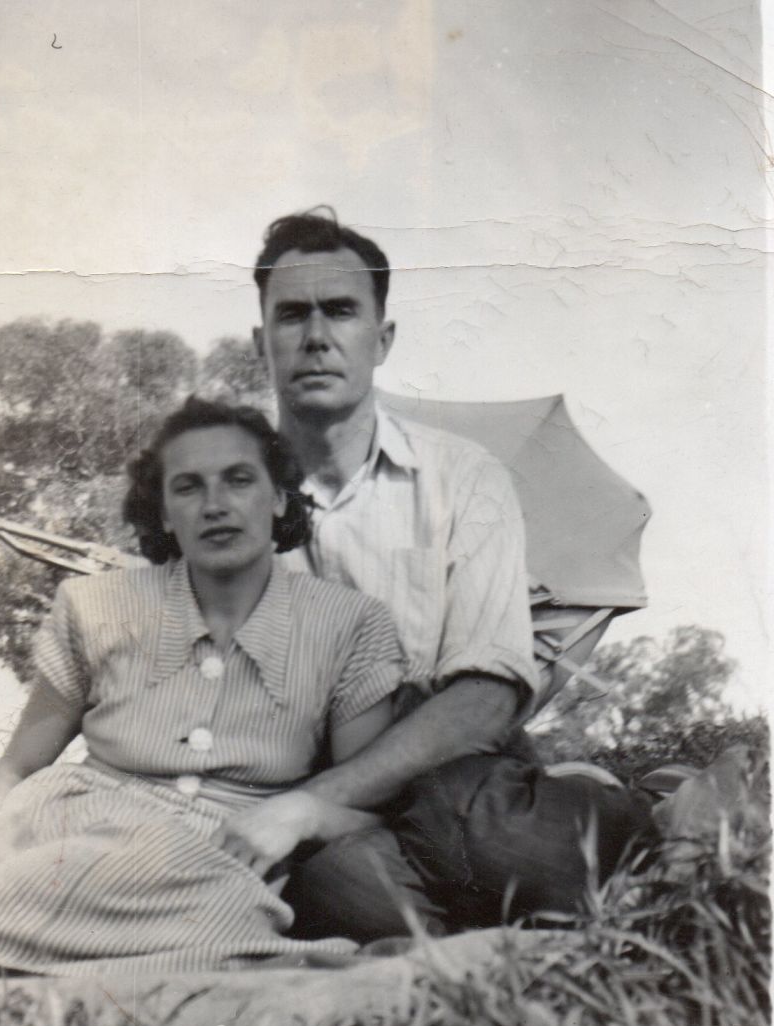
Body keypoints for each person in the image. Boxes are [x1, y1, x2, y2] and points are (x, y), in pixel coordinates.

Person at [216, 209, 657, 939]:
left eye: (342, 312)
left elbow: (485, 700)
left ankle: (633, 809)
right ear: (261, 344)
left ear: (381, 339)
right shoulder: (222, 510)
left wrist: (313, 803)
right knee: (345, 891)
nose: (317, 336)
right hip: (320, 818)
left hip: (456, 783)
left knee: (505, 839)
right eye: (292, 315)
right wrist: (307, 811)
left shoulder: (463, 479)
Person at [0, 398, 405, 982]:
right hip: (69, 827)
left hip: (219, 863)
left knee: (228, 899)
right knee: (184, 894)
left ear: (278, 498)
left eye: (240, 480)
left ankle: (2, 953)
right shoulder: (96, 606)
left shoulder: (351, 626)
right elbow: (17, 769)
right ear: (165, 514)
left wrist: (300, 815)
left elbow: (369, 813)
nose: (216, 505)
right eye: (188, 488)